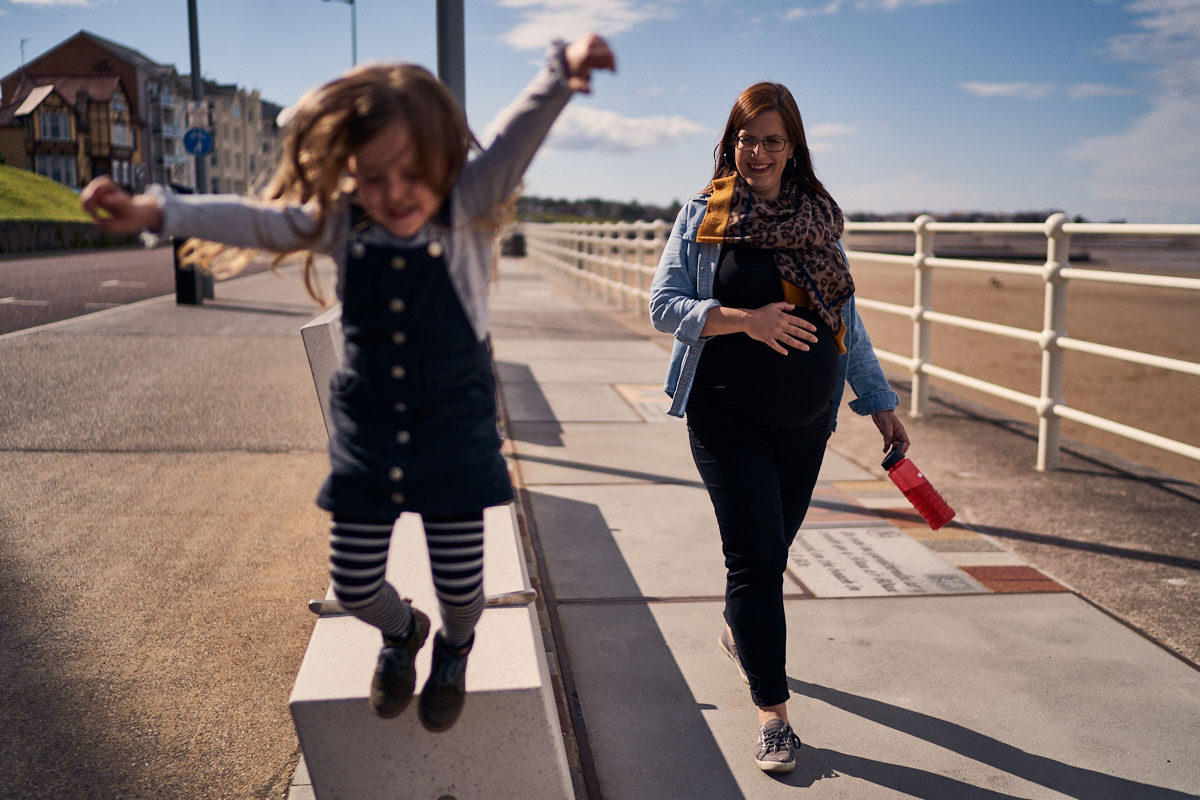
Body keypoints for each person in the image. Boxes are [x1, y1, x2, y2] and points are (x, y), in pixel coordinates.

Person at [81, 34, 615, 732]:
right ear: (350, 176)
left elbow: (517, 136)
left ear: (441, 160)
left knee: (462, 589)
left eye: (408, 173)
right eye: (370, 177)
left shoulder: (466, 206)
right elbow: (255, 219)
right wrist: (155, 211)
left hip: (452, 427)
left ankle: (455, 645)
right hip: (369, 427)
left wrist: (559, 72)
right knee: (358, 581)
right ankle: (403, 633)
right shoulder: (341, 222)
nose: (392, 194)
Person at [648, 81, 909, 772]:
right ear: (729, 142)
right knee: (757, 559)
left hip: (805, 425)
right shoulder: (704, 214)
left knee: (768, 556)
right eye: (745, 137)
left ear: (793, 148)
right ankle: (774, 717)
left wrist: (876, 398)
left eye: (771, 139)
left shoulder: (819, 220)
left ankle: (741, 629)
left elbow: (843, 318)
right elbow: (664, 305)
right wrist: (745, 319)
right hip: (724, 414)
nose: (756, 151)